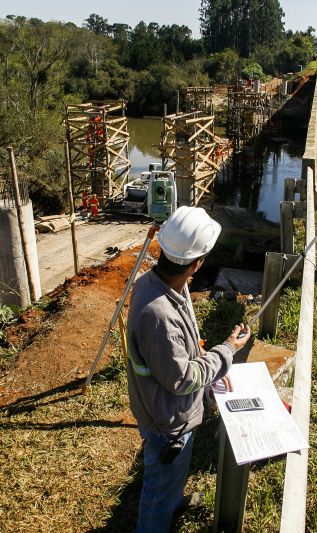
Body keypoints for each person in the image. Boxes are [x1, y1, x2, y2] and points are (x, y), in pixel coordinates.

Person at [126, 206, 251, 532]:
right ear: (197, 262)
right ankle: (157, 517)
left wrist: (197, 352)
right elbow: (182, 380)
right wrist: (227, 351)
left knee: (171, 475)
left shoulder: (158, 283)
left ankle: (172, 499)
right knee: (158, 487)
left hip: (169, 413)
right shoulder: (159, 315)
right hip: (168, 422)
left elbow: (181, 349)